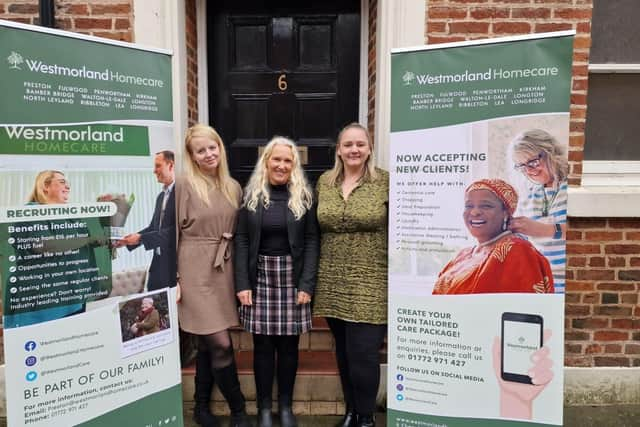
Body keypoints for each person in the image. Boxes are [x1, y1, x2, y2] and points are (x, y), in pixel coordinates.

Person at [235, 136, 319, 427]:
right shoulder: (251, 196)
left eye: (288, 160)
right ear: (267, 162)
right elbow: (242, 240)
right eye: (277, 159)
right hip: (260, 277)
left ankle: (285, 406)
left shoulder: (304, 197)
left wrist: (307, 284)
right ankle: (264, 410)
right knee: (262, 347)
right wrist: (242, 283)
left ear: (293, 164)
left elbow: (311, 241)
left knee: (288, 348)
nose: (282, 165)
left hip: (291, 278)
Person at [313, 123, 388, 427]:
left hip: (372, 277)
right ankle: (350, 412)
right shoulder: (325, 182)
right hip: (331, 278)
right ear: (339, 150)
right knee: (343, 352)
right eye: (348, 145)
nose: (354, 150)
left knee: (364, 353)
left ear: (369, 148)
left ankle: (366, 418)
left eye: (360, 144)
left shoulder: (386, 181)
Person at [175, 124, 250, 427]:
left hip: (224, 269)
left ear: (220, 148)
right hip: (193, 270)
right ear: (191, 156)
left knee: (207, 343)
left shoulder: (232, 186)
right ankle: (239, 410)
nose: (208, 154)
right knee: (220, 343)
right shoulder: (183, 184)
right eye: (200, 150)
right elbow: (171, 236)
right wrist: (175, 278)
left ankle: (201, 406)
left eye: (212, 147)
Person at [4, 170, 108, 328]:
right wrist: (88, 240)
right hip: (43, 298)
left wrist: (107, 241)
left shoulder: (71, 215)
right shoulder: (30, 211)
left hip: (73, 295)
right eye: (62, 182)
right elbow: (44, 245)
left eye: (68, 183)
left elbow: (82, 243)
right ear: (45, 186)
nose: (67, 186)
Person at [433, 178, 554, 295]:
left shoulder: (517, 249)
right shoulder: (462, 255)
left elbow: (523, 309)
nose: (475, 212)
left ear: (506, 213)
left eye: (486, 206)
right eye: (469, 206)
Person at [508, 129, 568, 293]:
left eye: (533, 162)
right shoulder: (528, 197)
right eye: (521, 166)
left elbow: (584, 232)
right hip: (542, 287)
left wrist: (544, 230)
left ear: (551, 152)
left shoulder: (572, 187)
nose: (529, 171)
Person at [116, 150, 177, 291]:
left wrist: (141, 238)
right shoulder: (161, 196)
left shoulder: (182, 193)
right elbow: (154, 228)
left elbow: (176, 231)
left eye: (158, 166)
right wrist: (127, 241)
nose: (154, 171)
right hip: (158, 266)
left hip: (175, 267)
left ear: (171, 165)